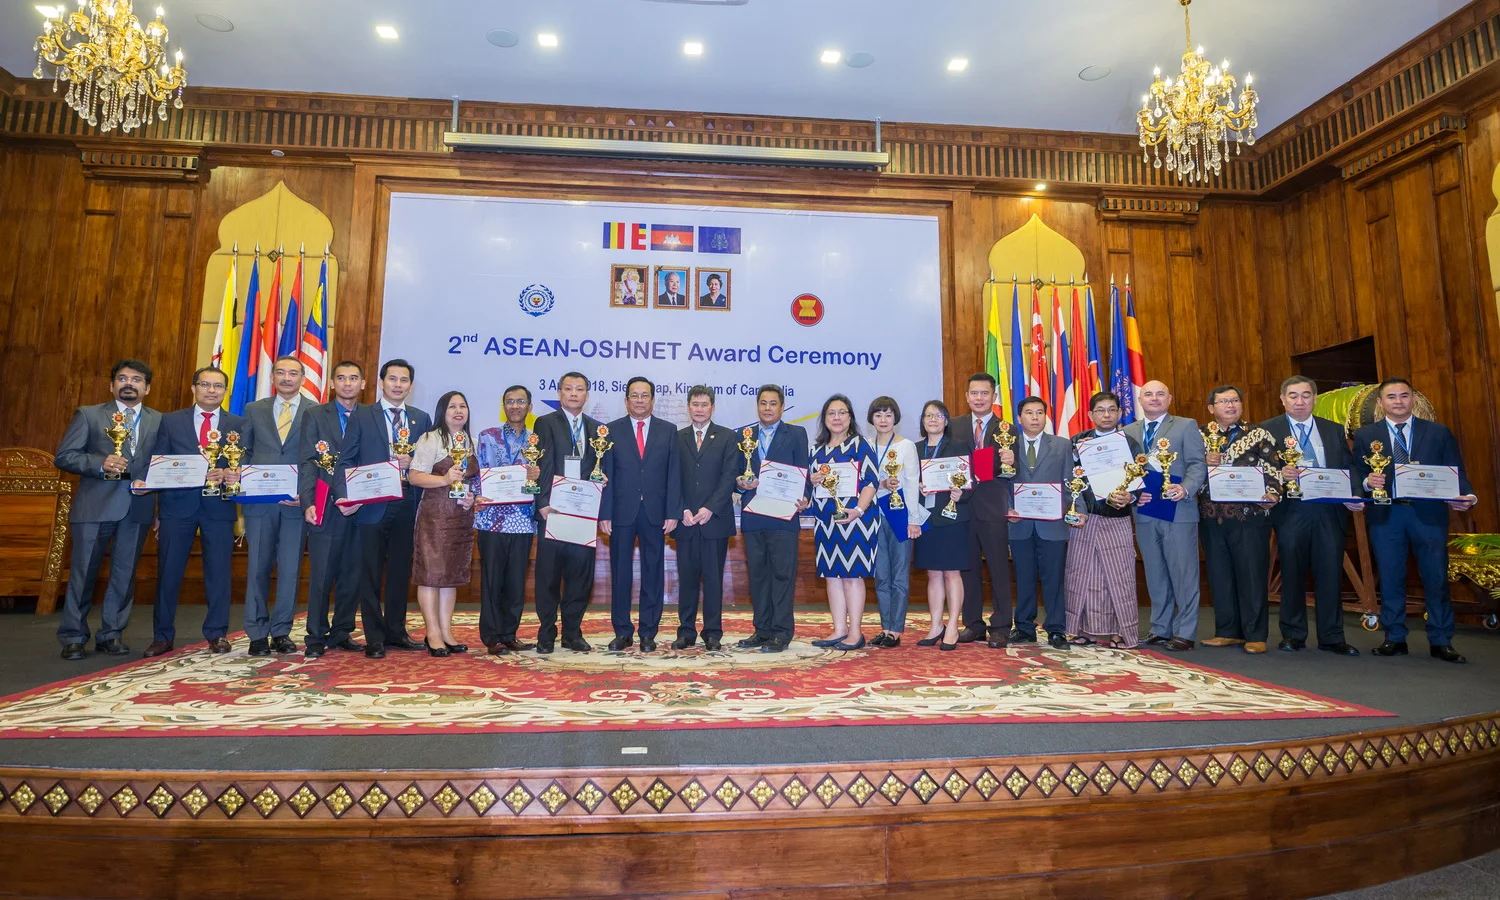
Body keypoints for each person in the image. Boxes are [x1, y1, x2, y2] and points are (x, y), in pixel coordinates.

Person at [1352, 377, 1478, 664]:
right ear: (1380, 402)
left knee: (1436, 578)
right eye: (1391, 397)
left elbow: (1456, 469)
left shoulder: (1438, 432)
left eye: (1404, 395)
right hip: (1387, 515)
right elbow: (1357, 472)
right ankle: (1394, 637)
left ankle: (1441, 640)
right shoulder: (1366, 435)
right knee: (1390, 577)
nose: (1398, 401)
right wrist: (1368, 483)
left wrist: (1468, 496)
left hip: (1429, 514)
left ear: (1414, 399)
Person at [53, 359, 161, 661]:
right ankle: (73, 636)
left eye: (136, 379)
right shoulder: (89, 415)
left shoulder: (158, 420)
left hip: (138, 507)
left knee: (124, 575)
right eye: (122, 378)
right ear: (112, 385)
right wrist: (99, 463)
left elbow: (162, 464)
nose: (129, 384)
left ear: (147, 388)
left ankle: (111, 634)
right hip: (95, 507)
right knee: (83, 573)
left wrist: (158, 500)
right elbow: (65, 456)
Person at [138, 366, 245, 657]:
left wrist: (231, 473)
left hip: (219, 508)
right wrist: (159, 510)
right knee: (168, 573)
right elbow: (159, 464)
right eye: (205, 384)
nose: (211, 390)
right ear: (193, 388)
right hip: (176, 507)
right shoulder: (171, 421)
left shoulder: (238, 424)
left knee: (219, 573)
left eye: (218, 386)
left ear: (225, 391)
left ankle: (217, 633)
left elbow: (243, 463)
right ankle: (162, 637)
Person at [1261, 376, 1361, 657]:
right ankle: (1293, 635)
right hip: (1291, 511)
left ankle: (1332, 636)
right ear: (1283, 399)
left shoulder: (1333, 429)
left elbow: (1349, 466)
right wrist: (1279, 474)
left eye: (1306, 395)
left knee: (1330, 574)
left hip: (1329, 510)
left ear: (1315, 399)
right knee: (1292, 573)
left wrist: (1354, 493)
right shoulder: (1267, 429)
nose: (1300, 401)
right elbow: (1258, 468)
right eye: (1293, 396)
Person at [343, 359, 432, 657]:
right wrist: (347, 496)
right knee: (369, 572)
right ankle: (374, 637)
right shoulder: (361, 415)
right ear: (381, 382)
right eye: (392, 379)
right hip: (372, 504)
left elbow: (429, 463)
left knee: (399, 571)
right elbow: (347, 459)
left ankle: (396, 632)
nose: (398, 384)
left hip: (408, 502)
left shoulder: (421, 418)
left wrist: (413, 462)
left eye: (404, 380)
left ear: (410, 386)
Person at [1124, 380, 1207, 651]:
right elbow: (1124, 471)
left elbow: (1197, 464)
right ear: (1140, 400)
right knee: (1155, 573)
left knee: (1184, 573)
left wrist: (1186, 488)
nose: (1154, 398)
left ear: (1169, 399)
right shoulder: (1127, 431)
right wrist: (1133, 495)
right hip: (1145, 511)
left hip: (1178, 509)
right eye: (1148, 394)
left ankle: (1185, 632)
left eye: (1160, 394)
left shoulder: (1186, 425)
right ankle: (1160, 628)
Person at [600, 376, 682, 652]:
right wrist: (605, 513)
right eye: (634, 395)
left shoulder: (668, 430)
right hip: (621, 513)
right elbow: (606, 475)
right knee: (620, 573)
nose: (639, 400)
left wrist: (672, 512)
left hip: (655, 513)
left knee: (653, 572)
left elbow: (674, 474)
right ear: (626, 400)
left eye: (644, 395)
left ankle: (648, 632)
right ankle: (622, 632)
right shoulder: (610, 431)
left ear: (652, 400)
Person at [1198, 385, 1280, 655]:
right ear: (1211, 408)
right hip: (1212, 517)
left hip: (1249, 516)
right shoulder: (1199, 436)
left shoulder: (1259, 434)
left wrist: (1272, 493)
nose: (1230, 405)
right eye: (1223, 401)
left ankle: (1255, 635)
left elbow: (1272, 469)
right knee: (1219, 575)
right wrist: (1204, 461)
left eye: (1234, 400)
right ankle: (1227, 632)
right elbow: (1189, 472)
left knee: (1251, 575)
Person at [298, 361, 368, 659]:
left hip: (361, 506)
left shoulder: (370, 415)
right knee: (322, 575)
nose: (347, 383)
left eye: (353, 378)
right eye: (341, 378)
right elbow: (308, 460)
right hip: (325, 505)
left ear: (363, 383)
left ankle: (342, 632)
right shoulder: (315, 415)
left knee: (352, 574)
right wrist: (308, 501)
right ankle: (315, 635)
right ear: (331, 383)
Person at [532, 371, 607, 654]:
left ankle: (572, 633)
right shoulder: (545, 423)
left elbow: (599, 467)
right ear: (560, 393)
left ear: (587, 394)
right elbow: (541, 466)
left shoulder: (598, 429)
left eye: (579, 389)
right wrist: (541, 502)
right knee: (548, 576)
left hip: (583, 513)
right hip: (553, 510)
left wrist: (602, 478)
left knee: (580, 576)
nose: (574, 393)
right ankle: (546, 633)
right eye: (568, 389)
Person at [240, 356, 308, 656]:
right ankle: (256, 633)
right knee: (257, 567)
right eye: (281, 372)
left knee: (290, 569)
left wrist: (307, 494)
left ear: (303, 378)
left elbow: (318, 459)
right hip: (259, 503)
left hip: (295, 503)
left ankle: (281, 631)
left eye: (293, 373)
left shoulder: (315, 411)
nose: (287, 378)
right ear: (272, 377)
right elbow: (244, 451)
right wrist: (242, 479)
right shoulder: (254, 409)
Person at [735, 384, 811, 654]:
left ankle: (781, 632)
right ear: (757, 406)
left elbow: (804, 471)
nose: (767, 408)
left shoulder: (796, 434)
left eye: (773, 403)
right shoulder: (744, 436)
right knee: (758, 575)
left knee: (782, 575)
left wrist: (805, 497)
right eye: (763, 403)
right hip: (754, 516)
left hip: (783, 516)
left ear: (782, 407)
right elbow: (735, 474)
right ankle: (762, 630)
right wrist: (740, 483)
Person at [1065, 392, 1142, 649]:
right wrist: (1076, 508)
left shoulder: (1129, 443)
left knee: (1119, 577)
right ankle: (1085, 630)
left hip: (1117, 518)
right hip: (1084, 519)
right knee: (1083, 575)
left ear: (1119, 413)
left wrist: (1130, 496)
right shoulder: (1078, 443)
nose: (1106, 415)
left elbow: (1141, 479)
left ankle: (1120, 632)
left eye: (1111, 409)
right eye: (1100, 410)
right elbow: (1068, 480)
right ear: (1090, 414)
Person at [406, 390, 478, 657]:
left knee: (450, 576)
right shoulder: (430, 438)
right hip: (435, 516)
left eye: (462, 406)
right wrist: (445, 480)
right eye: (452, 407)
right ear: (442, 412)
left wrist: (471, 497)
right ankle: (433, 633)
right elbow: (414, 476)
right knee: (431, 574)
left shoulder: (471, 441)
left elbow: (472, 480)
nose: (458, 411)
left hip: (461, 517)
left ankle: (446, 631)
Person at [947, 373, 1015, 649]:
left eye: (984, 393)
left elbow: (1013, 471)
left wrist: (1012, 460)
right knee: (968, 569)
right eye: (974, 393)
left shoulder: (1008, 430)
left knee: (998, 567)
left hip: (993, 507)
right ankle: (973, 624)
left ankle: (1001, 627)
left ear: (993, 396)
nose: (979, 398)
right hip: (961, 507)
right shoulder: (953, 426)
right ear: (966, 396)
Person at [809, 394, 880, 650]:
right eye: (831, 413)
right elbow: (811, 489)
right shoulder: (816, 451)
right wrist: (812, 480)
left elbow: (871, 482)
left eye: (842, 412)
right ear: (824, 419)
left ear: (850, 417)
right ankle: (839, 629)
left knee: (852, 575)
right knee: (831, 575)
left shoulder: (861, 444)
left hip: (856, 520)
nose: (836, 418)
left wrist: (858, 510)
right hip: (826, 521)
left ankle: (856, 633)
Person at [474, 385, 540, 656]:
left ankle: (509, 634)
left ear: (529, 407)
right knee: (492, 579)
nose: (515, 406)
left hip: (523, 520)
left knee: (515, 581)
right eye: (510, 401)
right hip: (492, 519)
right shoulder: (487, 436)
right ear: (504, 406)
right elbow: (478, 473)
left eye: (520, 401)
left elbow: (541, 478)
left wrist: (537, 474)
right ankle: (492, 636)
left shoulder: (536, 440)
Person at [673, 385, 739, 651]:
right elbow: (671, 478)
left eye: (704, 404)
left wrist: (710, 508)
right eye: (695, 404)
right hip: (686, 521)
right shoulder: (676, 437)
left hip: (715, 521)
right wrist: (682, 510)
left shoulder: (727, 437)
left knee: (713, 580)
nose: (699, 409)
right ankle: (686, 631)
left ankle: (712, 633)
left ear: (713, 407)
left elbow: (729, 476)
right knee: (687, 580)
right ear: (688, 407)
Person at [1006, 397, 1073, 649]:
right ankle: (1024, 627)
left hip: (1052, 524)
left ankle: (1056, 629)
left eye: (1040, 412)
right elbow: (1002, 484)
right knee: (1023, 577)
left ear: (1046, 416)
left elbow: (1070, 483)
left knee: (1054, 579)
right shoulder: (1007, 447)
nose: (1035, 417)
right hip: (1019, 523)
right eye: (1029, 413)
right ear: (1019, 418)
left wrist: (1072, 509)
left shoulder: (1062, 445)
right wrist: (1006, 508)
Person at [912, 400, 972, 650]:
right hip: (925, 517)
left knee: (952, 572)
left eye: (938, 416)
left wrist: (962, 494)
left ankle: (953, 626)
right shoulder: (915, 449)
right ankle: (936, 625)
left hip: (952, 517)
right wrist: (914, 486)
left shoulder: (959, 446)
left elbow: (971, 481)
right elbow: (905, 481)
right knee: (933, 573)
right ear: (922, 421)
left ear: (946, 421)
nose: (933, 420)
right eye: (928, 415)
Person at [868, 396, 927, 647]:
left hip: (900, 514)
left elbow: (912, 483)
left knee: (899, 575)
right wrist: (881, 483)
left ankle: (895, 630)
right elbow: (863, 482)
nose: (883, 420)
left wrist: (914, 520)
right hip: (873, 517)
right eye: (878, 414)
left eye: (888, 414)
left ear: (896, 418)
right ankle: (885, 627)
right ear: (871, 418)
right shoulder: (865, 445)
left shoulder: (906, 446)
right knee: (881, 575)